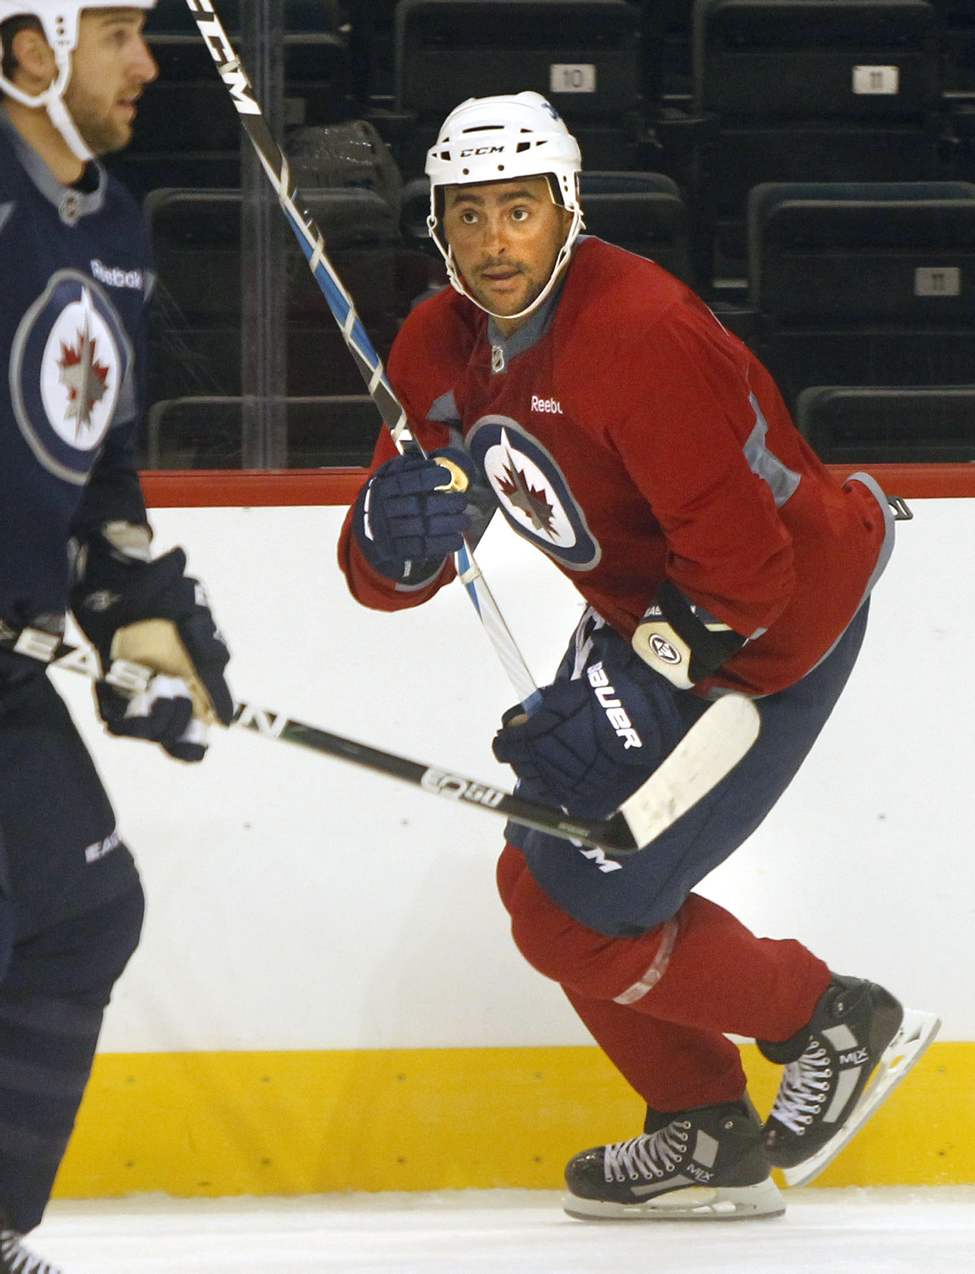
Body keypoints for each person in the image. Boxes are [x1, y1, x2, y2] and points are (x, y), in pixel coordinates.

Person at [338, 90, 941, 1221]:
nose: (493, 241)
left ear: (570, 210)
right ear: (439, 228)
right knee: (544, 877)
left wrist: (629, 691)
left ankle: (823, 1015)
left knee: (573, 892)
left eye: (520, 210)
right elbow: (384, 575)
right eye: (468, 215)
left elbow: (748, 578)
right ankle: (704, 1128)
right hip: (656, 610)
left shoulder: (639, 331)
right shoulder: (440, 338)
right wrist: (389, 536)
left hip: (777, 625)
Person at [0, 5, 233, 1268]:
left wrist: (136, 612)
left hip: (7, 662)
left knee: (79, 908)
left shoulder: (116, 230)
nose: (148, 65)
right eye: (118, 35)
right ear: (28, 49)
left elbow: (102, 474)